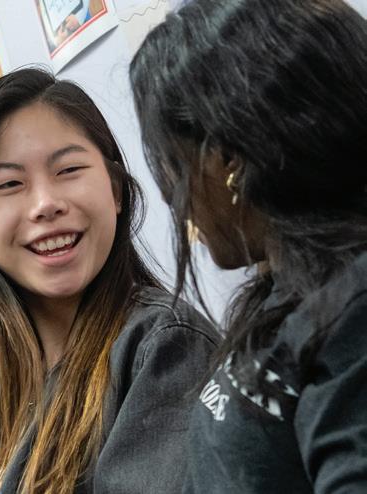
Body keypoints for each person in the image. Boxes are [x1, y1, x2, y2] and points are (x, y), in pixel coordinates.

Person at [0, 67, 220, 494]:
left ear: (116, 190)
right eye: (10, 183)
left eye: (69, 169)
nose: (45, 203)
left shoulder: (164, 348)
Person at [129, 0, 367, 492]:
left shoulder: (352, 313)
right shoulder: (286, 292)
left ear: (229, 161)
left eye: (176, 165)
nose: (175, 199)